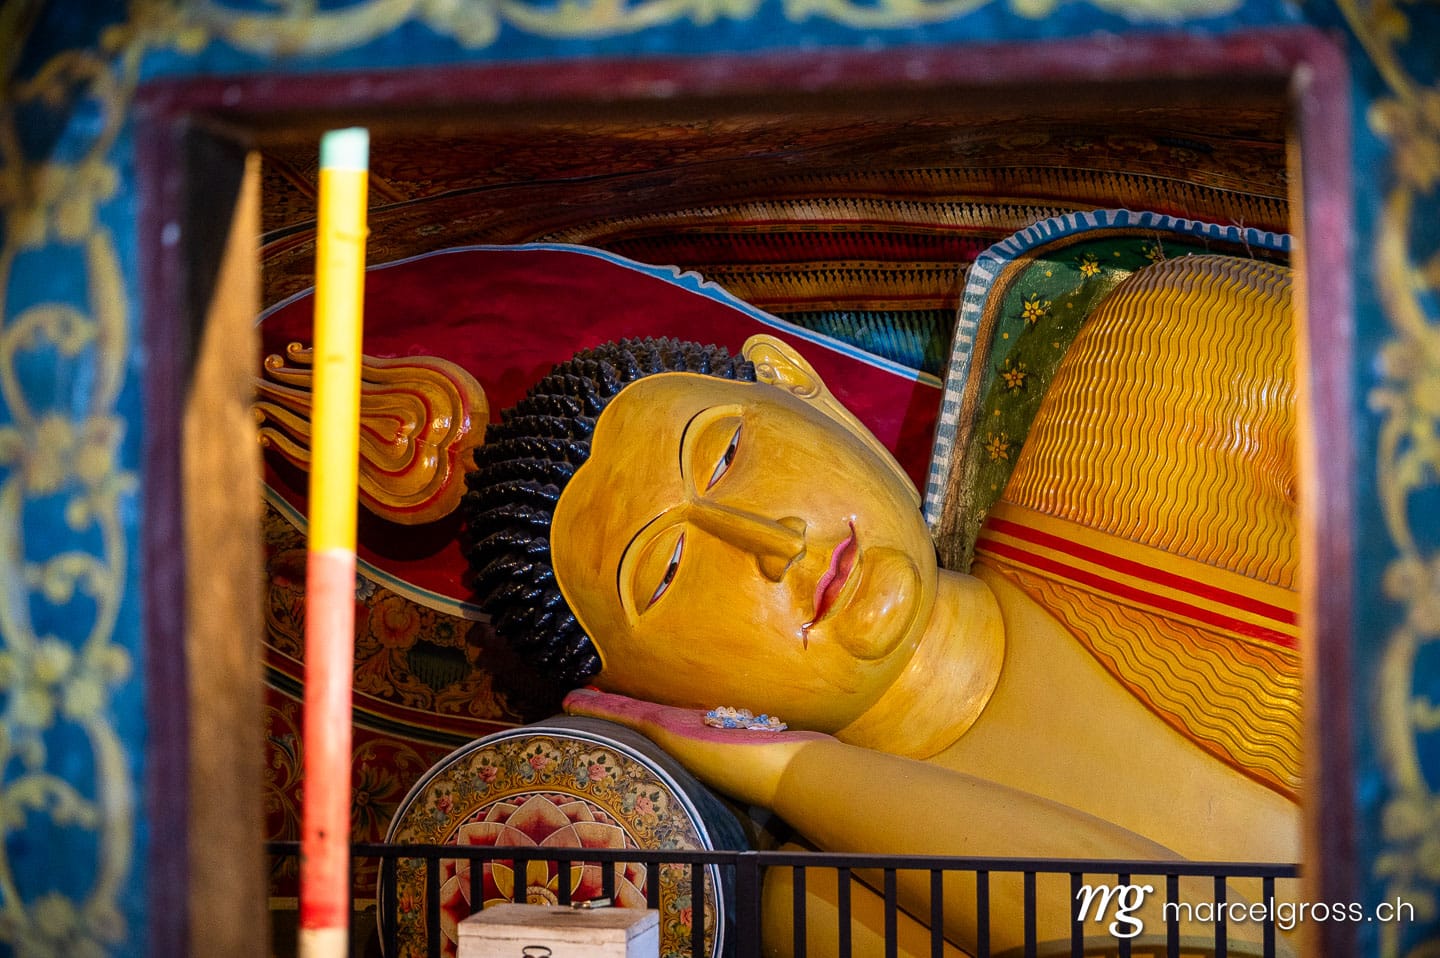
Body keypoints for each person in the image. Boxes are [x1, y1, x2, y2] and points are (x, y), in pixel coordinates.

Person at [462, 255, 1301, 956]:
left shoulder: (1160, 384)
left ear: (809, 394)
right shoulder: (832, 906)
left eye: (728, 455)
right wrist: (803, 774)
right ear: (650, 699)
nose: (773, 540)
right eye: (669, 571)